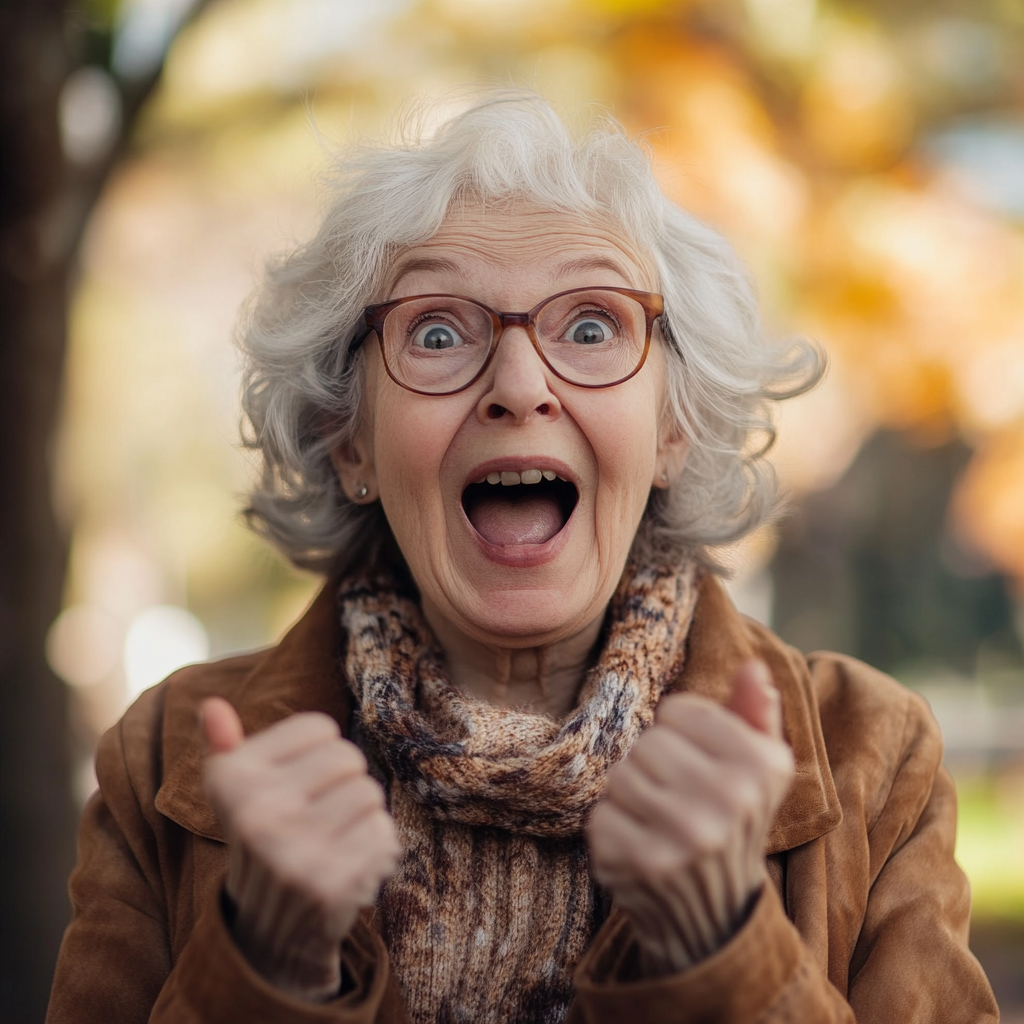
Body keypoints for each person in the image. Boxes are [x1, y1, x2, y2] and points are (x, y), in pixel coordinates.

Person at [47, 92, 998, 1024]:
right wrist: (265, 968)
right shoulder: (162, 757)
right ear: (351, 440)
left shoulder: (876, 754)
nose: (518, 385)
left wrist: (723, 959)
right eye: (436, 330)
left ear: (672, 426)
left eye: (591, 326)